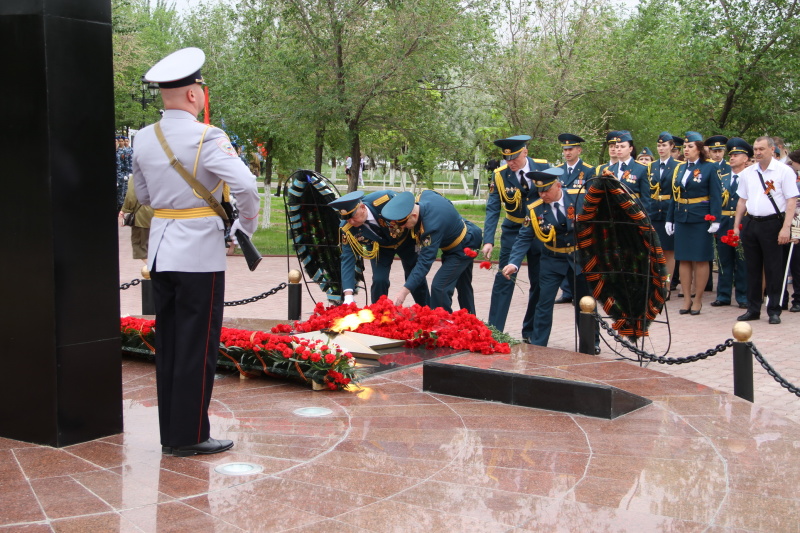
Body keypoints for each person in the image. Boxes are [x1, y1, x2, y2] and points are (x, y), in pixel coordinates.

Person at [132, 48, 260, 457]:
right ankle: (189, 436)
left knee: (169, 345)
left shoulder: (143, 137)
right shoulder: (209, 137)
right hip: (199, 257)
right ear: (193, 94)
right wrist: (246, 227)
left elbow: (145, 196)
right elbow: (247, 187)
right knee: (197, 347)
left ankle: (173, 432)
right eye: (201, 89)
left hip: (161, 253)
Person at [502, 168, 594, 350]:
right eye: (539, 191)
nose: (543, 195)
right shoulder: (535, 209)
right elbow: (524, 237)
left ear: (558, 185)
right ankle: (539, 344)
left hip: (578, 258)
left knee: (585, 303)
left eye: (546, 190)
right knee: (544, 303)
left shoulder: (579, 197)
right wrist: (513, 262)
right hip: (552, 259)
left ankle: (591, 344)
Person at [481, 135, 549, 341]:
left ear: (525, 152)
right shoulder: (500, 175)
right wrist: (489, 239)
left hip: (539, 232)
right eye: (507, 158)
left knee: (538, 282)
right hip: (513, 231)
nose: (510, 162)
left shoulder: (544, 167)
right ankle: (494, 331)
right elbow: (493, 208)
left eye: (515, 158)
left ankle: (530, 332)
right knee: (505, 278)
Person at [733, 136, 799, 324]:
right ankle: (753, 308)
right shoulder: (748, 173)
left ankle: (774, 309)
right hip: (751, 223)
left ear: (772, 149)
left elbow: (791, 201)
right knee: (752, 268)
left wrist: (786, 228)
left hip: (773, 224)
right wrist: (737, 226)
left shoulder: (784, 171)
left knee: (773, 268)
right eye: (755, 149)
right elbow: (741, 201)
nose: (758, 152)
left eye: (762, 149)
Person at [383, 190, 482, 313]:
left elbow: (424, 262)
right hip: (463, 235)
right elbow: (447, 202)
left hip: (464, 246)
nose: (402, 227)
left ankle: (443, 327)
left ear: (414, 215)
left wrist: (404, 291)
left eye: (403, 223)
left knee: (440, 287)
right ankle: (471, 323)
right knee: (463, 286)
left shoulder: (431, 227)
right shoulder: (425, 195)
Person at [328, 190, 429, 306]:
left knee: (414, 275)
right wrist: (348, 295)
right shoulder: (347, 228)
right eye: (346, 219)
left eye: (352, 216)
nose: (350, 221)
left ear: (362, 207)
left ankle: (427, 309)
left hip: (405, 240)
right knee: (379, 280)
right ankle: (379, 313)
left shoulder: (385, 199)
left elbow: (410, 213)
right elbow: (347, 259)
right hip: (381, 247)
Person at [665, 132, 722, 315]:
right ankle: (687, 299)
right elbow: (675, 194)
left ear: (699, 149)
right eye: (684, 147)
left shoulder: (709, 168)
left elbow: (716, 195)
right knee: (684, 258)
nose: (686, 150)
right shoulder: (680, 168)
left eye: (690, 147)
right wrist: (670, 218)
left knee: (700, 259)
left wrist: (716, 219)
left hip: (701, 219)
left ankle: (698, 299)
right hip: (682, 217)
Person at [554, 133, 595, 304]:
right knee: (563, 253)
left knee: (578, 255)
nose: (567, 152)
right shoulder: (558, 170)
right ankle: (566, 291)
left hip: (580, 218)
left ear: (579, 150)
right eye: (565, 149)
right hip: (562, 218)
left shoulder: (588, 170)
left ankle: (580, 290)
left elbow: (591, 196)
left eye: (570, 149)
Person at [710, 137, 750, 309]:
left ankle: (743, 296)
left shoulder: (750, 177)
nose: (732, 157)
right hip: (725, 221)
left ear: (746, 158)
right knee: (724, 260)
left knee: (742, 260)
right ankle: (723, 294)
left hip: (743, 222)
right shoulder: (722, 177)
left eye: (737, 154)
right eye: (731, 154)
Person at [647, 132, 680, 296]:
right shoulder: (651, 166)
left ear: (671, 146)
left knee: (668, 251)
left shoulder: (677, 166)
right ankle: (655, 283)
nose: (661, 148)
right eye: (659, 145)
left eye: (664, 145)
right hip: (654, 210)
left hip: (668, 210)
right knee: (653, 250)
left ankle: (666, 286)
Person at [608, 131, 650, 209]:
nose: (619, 149)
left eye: (622, 147)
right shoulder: (610, 169)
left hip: (634, 213)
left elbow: (646, 199)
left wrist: (644, 219)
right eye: (617, 147)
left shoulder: (641, 169)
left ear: (630, 149)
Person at [119, 179, 154, 262]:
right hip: (159, 213)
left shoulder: (136, 175)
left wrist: (124, 210)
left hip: (142, 214)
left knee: (140, 248)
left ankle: (154, 271)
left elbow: (131, 195)